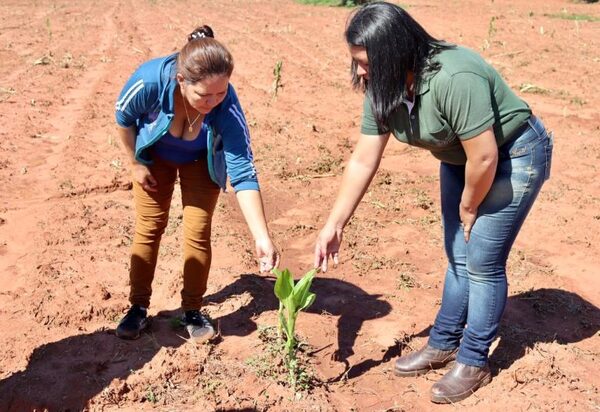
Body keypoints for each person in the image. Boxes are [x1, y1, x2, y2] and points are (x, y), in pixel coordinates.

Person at [313, 2, 553, 404]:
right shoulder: (383, 87)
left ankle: (475, 360)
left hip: (512, 154)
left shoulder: (454, 76)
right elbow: (364, 157)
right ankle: (442, 343)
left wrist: (470, 205)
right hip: (462, 158)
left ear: (396, 52)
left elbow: (486, 157)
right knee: (457, 255)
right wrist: (335, 222)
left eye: (365, 62)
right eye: (355, 62)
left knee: (481, 260)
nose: (359, 72)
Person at [114, 25, 279, 343]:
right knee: (150, 228)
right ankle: (137, 307)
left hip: (200, 162)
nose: (214, 102)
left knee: (198, 232)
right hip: (154, 159)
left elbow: (243, 172)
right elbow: (123, 117)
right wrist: (134, 164)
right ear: (181, 81)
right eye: (204, 95)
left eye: (221, 93)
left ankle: (192, 309)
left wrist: (262, 236)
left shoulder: (226, 106)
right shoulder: (151, 80)